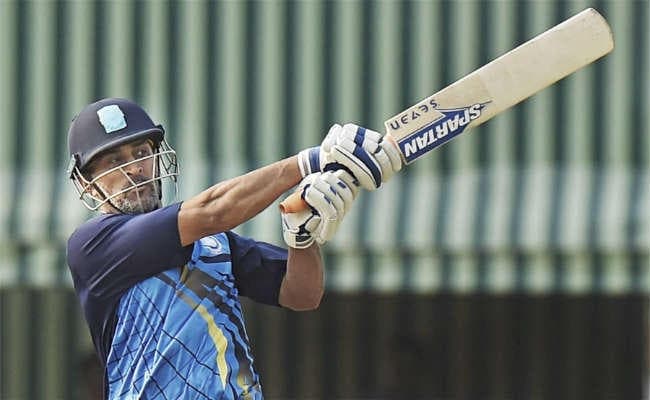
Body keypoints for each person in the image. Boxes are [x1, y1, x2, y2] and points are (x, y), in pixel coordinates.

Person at [65, 97, 402, 399]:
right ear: (85, 183)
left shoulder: (210, 242)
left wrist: (301, 237)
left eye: (141, 153)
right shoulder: (92, 246)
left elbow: (301, 294)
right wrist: (311, 160)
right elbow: (214, 211)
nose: (134, 169)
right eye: (113, 161)